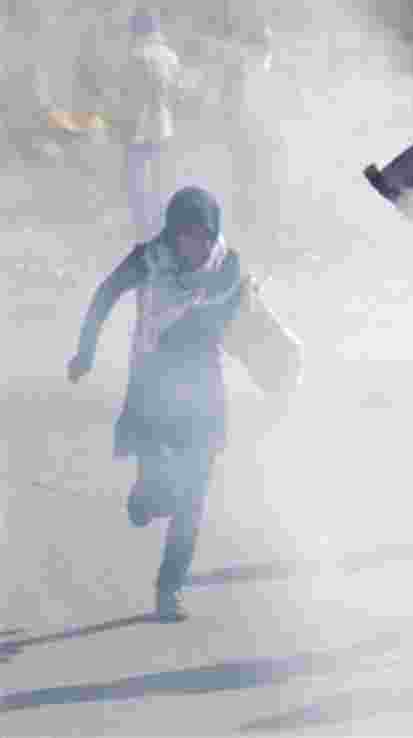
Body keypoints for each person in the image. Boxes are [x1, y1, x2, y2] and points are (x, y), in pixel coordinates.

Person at [68, 186, 243, 622]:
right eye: (186, 236)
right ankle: (145, 499)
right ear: (171, 235)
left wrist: (275, 365)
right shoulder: (148, 258)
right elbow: (105, 294)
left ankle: (170, 588)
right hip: (152, 386)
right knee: (159, 494)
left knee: (194, 496)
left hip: (204, 387)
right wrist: (86, 351)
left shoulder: (228, 263)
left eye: (203, 236)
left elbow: (249, 319)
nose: (196, 247)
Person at [118, 8, 183, 241]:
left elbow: (129, 96)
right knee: (160, 180)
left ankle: (142, 229)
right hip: (164, 127)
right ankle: (160, 226)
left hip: (139, 127)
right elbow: (176, 92)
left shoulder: (138, 55)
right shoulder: (171, 56)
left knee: (136, 180)